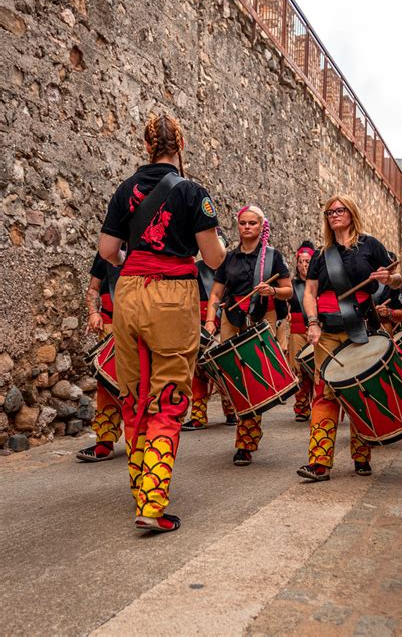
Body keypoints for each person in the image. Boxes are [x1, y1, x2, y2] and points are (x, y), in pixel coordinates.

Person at [99, 112, 225, 532]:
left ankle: (141, 485)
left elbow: (106, 251)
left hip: (129, 291)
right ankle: (152, 505)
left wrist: (134, 259)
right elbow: (213, 259)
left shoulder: (125, 189)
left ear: (146, 145)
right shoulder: (192, 191)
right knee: (169, 393)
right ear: (181, 146)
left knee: (134, 394)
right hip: (173, 293)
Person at [297, 195, 402, 482]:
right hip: (327, 329)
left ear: (351, 213)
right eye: (330, 212)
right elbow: (310, 293)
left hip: (361, 327)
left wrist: (387, 279)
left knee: (359, 390)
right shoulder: (321, 254)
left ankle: (361, 455)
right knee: (324, 391)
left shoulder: (371, 246)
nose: (334, 215)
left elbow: (397, 279)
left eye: (339, 210)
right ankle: (319, 462)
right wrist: (314, 322)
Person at [204, 205, 293, 466]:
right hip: (232, 320)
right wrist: (211, 320)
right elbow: (216, 294)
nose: (246, 227)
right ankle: (246, 430)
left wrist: (273, 292)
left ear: (261, 226)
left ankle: (245, 441)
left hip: (262, 318)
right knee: (234, 378)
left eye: (252, 223)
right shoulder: (229, 258)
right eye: (243, 223)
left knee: (252, 379)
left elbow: (288, 290)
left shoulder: (273, 257)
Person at [181, 251, 237, 430]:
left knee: (226, 368)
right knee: (198, 370)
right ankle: (198, 415)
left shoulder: (233, 269)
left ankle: (231, 410)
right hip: (201, 326)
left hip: (227, 324)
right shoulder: (196, 271)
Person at [76, 254, 122, 461]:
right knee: (107, 382)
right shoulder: (107, 250)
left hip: (144, 323)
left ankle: (144, 438)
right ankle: (104, 442)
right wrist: (94, 313)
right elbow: (94, 287)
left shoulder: (149, 244)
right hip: (111, 323)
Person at [288, 241, 315, 422]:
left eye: (307, 262)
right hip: (297, 330)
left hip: (315, 328)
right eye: (301, 262)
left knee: (315, 369)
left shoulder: (319, 282)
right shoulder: (292, 284)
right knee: (299, 370)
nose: (304, 265)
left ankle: (320, 405)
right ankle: (302, 407)